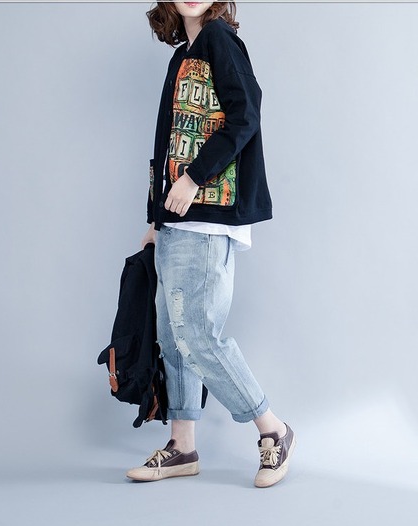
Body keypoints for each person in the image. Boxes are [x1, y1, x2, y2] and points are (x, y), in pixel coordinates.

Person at [127, 1, 295, 488]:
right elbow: (168, 143)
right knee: (172, 337)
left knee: (198, 335)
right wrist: (157, 217)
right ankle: (183, 446)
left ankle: (273, 428)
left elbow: (245, 115)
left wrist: (194, 178)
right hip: (177, 216)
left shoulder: (219, 39)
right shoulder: (184, 53)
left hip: (207, 213)